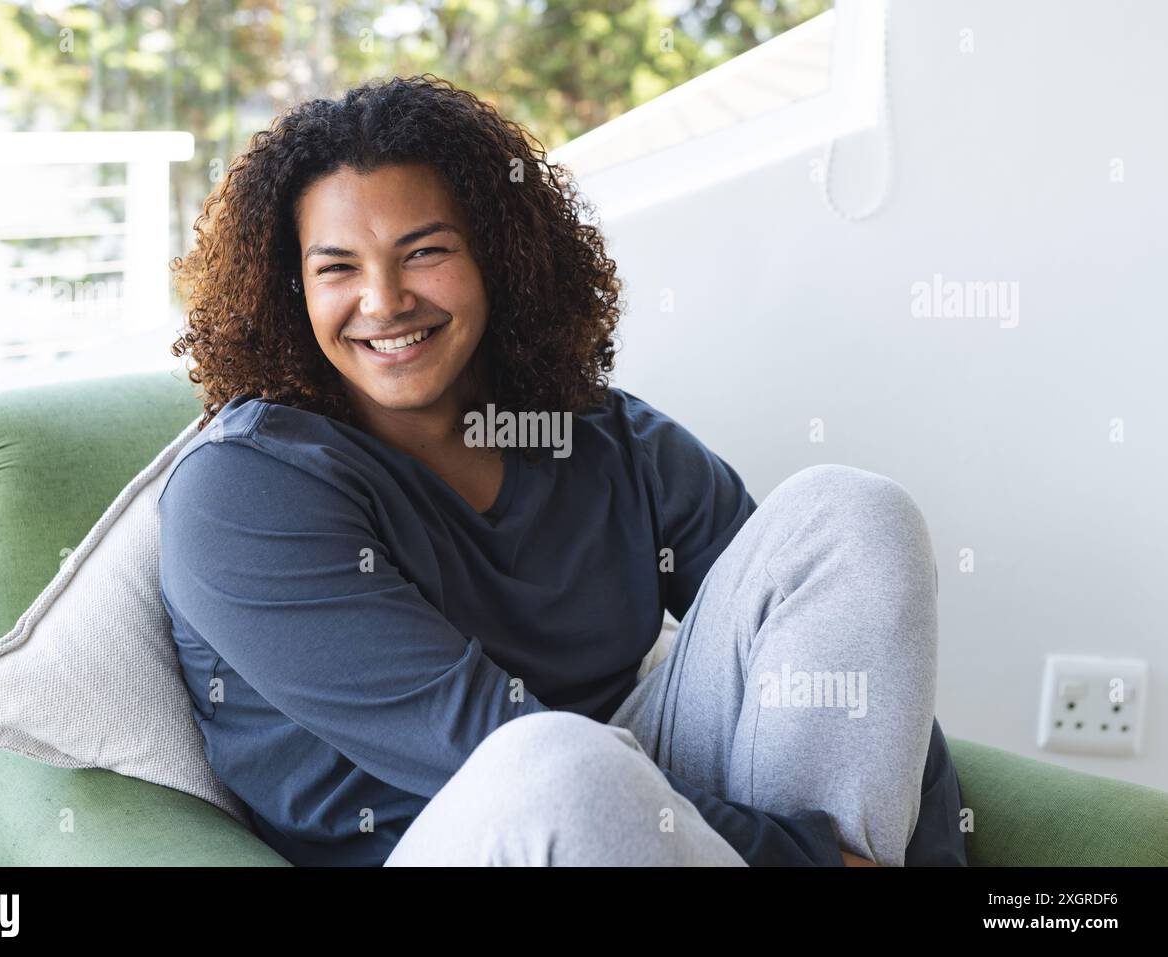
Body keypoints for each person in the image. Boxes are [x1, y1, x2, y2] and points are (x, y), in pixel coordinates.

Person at [158, 74, 967, 867]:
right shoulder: (241, 491)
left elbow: (838, 632)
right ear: (289, 288)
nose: (384, 299)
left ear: (498, 259)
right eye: (337, 268)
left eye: (426, 251)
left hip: (640, 823)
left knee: (850, 514)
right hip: (479, 827)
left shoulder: (600, 435)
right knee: (558, 764)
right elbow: (484, 746)